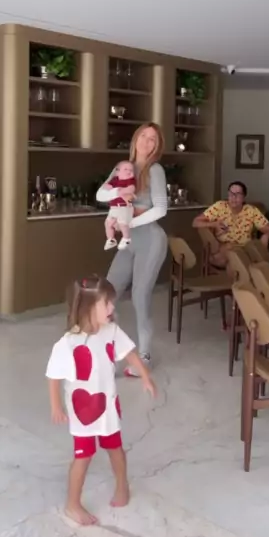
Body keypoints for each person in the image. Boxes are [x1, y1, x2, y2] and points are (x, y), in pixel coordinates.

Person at [46, 275, 156, 526]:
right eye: (106, 303)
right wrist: (56, 405)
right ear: (88, 308)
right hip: (82, 411)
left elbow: (129, 353)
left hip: (107, 407)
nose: (112, 307)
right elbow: (53, 376)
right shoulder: (67, 344)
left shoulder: (111, 331)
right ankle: (72, 504)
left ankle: (122, 486)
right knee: (83, 455)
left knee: (115, 447)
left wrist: (146, 376)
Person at [96, 122, 168, 375]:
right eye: (144, 136)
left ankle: (144, 356)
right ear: (135, 139)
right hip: (129, 241)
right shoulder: (123, 168)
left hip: (151, 239)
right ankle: (107, 351)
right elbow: (100, 195)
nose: (147, 142)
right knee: (107, 294)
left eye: (153, 139)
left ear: (157, 146)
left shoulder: (155, 170)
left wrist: (128, 222)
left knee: (140, 296)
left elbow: (161, 209)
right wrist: (118, 191)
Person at [192, 180, 269, 269]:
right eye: (231, 194)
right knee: (232, 253)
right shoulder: (219, 207)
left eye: (238, 194)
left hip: (245, 249)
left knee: (261, 258)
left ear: (243, 197)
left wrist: (266, 236)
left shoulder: (251, 211)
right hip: (224, 249)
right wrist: (214, 224)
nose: (234, 197)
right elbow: (195, 222)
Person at [103, 160, 137, 251]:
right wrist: (109, 188)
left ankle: (126, 238)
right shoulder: (115, 180)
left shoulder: (130, 181)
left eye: (131, 170)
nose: (129, 171)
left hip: (124, 207)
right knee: (108, 223)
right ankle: (111, 239)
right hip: (114, 207)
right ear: (117, 172)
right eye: (125, 169)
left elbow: (131, 189)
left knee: (123, 223)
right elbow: (106, 186)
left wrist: (121, 191)